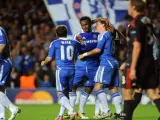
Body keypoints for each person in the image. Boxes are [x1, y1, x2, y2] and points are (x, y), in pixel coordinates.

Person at [120, 0, 160, 120]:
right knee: (151, 92)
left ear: (133, 7)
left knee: (127, 94)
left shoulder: (135, 23)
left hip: (138, 64)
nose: (128, 8)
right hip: (150, 62)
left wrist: (132, 67)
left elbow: (137, 46)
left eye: (129, 6)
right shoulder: (147, 21)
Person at [78, 17, 122, 119]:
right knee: (113, 88)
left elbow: (97, 50)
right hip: (114, 62)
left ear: (103, 25)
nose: (95, 27)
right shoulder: (111, 34)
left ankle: (106, 111)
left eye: (97, 25)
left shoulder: (104, 35)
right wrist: (94, 21)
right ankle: (120, 112)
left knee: (97, 87)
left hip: (106, 62)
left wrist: (84, 54)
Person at [41, 25, 83, 120]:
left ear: (56, 34)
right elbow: (78, 55)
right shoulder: (74, 42)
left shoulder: (55, 43)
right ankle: (60, 115)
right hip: (72, 69)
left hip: (61, 70)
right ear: (66, 33)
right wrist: (81, 42)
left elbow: (50, 57)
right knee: (71, 92)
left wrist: (44, 62)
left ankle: (71, 111)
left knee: (60, 93)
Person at [68, 16, 99, 119]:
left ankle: (81, 111)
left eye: (86, 24)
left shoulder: (97, 34)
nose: (84, 27)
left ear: (90, 24)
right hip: (80, 65)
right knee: (73, 86)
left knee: (90, 87)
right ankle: (71, 111)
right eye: (82, 25)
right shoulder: (78, 36)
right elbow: (73, 51)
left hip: (93, 65)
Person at [0, 27, 21, 120]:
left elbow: (2, 45)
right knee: (1, 92)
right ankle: (2, 117)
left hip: (3, 64)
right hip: (1, 65)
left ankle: (12, 108)